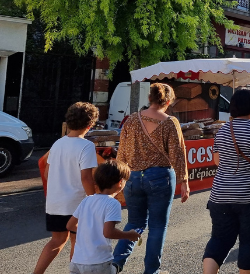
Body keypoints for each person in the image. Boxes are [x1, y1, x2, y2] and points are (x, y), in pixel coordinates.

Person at [113, 83, 190, 274]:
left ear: (149, 98)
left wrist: (119, 179)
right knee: (157, 226)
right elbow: (178, 153)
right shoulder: (170, 122)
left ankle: (115, 263)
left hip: (132, 177)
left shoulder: (131, 120)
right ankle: (151, 271)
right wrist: (184, 181)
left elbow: (121, 151)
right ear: (169, 101)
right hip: (160, 177)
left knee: (134, 223)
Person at [202, 87, 250, 274]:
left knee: (219, 239)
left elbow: (217, 160)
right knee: (249, 241)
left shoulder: (222, 130)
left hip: (220, 195)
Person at [33, 102, 99, 274]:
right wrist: (94, 200)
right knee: (77, 242)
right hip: (76, 204)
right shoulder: (87, 146)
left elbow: (47, 173)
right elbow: (86, 178)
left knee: (56, 241)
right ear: (90, 124)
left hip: (55, 202)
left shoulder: (57, 144)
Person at [66, 161, 140, 274]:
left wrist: (90, 231)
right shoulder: (112, 203)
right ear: (120, 183)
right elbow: (108, 232)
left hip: (77, 262)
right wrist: (130, 235)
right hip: (99, 262)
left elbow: (70, 225)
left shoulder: (87, 200)